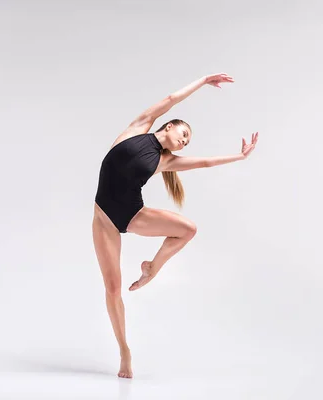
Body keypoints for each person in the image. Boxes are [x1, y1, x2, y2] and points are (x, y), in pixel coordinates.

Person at [91, 73, 258, 378]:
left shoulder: (165, 162)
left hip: (132, 214)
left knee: (188, 229)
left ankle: (152, 269)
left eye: (187, 141)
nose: (184, 141)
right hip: (104, 219)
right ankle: (124, 351)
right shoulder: (138, 126)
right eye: (183, 134)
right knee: (113, 289)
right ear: (168, 126)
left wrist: (240, 156)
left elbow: (205, 163)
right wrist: (204, 80)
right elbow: (171, 99)